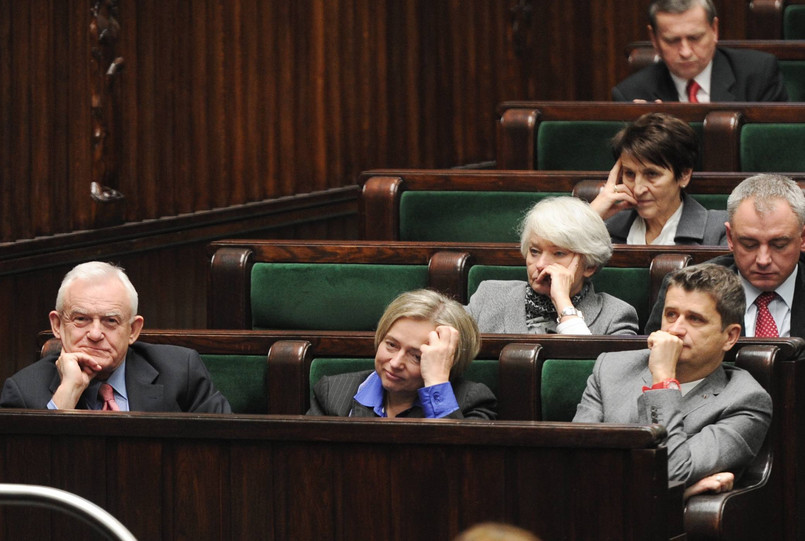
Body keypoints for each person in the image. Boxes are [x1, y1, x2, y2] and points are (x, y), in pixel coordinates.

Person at [573, 263, 772, 499]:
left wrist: (663, 380)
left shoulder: (746, 401)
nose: (676, 329)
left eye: (695, 319)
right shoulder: (611, 369)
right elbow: (577, 465)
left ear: (730, 336)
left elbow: (669, 472)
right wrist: (683, 492)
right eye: (671, 315)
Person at [0, 261, 231, 412]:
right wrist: (67, 393)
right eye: (81, 319)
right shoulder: (22, 392)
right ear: (57, 325)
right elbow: (25, 473)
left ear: (133, 330)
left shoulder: (181, 372)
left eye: (111, 321)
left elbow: (224, 450)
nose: (95, 334)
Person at [645, 173, 805, 335]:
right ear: (730, 238)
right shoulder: (687, 287)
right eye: (749, 244)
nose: (763, 260)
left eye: (779, 245)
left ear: (802, 239)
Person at [307, 289, 497, 419]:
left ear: (446, 360)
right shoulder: (333, 393)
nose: (396, 362)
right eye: (391, 345)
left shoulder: (471, 402)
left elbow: (458, 467)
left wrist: (437, 383)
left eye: (417, 356)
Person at [466, 197, 638, 335]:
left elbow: (588, 373)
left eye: (559, 253)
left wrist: (563, 303)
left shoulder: (616, 316)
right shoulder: (488, 296)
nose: (540, 264)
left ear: (589, 266)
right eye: (534, 251)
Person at [590, 112, 727, 245]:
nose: (638, 190)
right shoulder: (604, 228)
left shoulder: (718, 230)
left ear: (684, 175)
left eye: (652, 174)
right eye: (630, 174)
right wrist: (592, 215)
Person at [612, 0, 788, 103]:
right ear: (654, 39)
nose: (686, 52)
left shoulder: (758, 74)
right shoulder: (630, 95)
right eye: (672, 40)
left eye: (695, 38)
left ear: (714, 30)